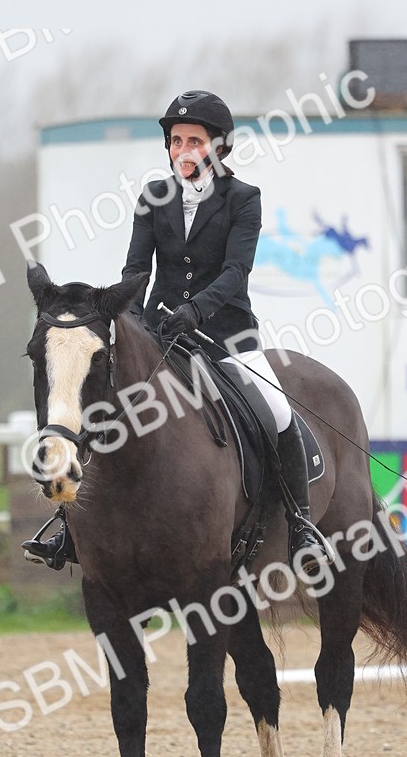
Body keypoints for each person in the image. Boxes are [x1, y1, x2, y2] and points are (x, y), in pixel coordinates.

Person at [122, 89, 327, 567]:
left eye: (194, 140)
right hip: (162, 333)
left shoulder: (242, 199)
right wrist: (128, 317)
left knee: (276, 412)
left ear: (218, 147)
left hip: (227, 334)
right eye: (176, 141)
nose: (182, 150)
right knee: (108, 405)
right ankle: (74, 530)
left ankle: (300, 526)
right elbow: (136, 270)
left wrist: (196, 310)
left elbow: (237, 271)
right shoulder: (154, 198)